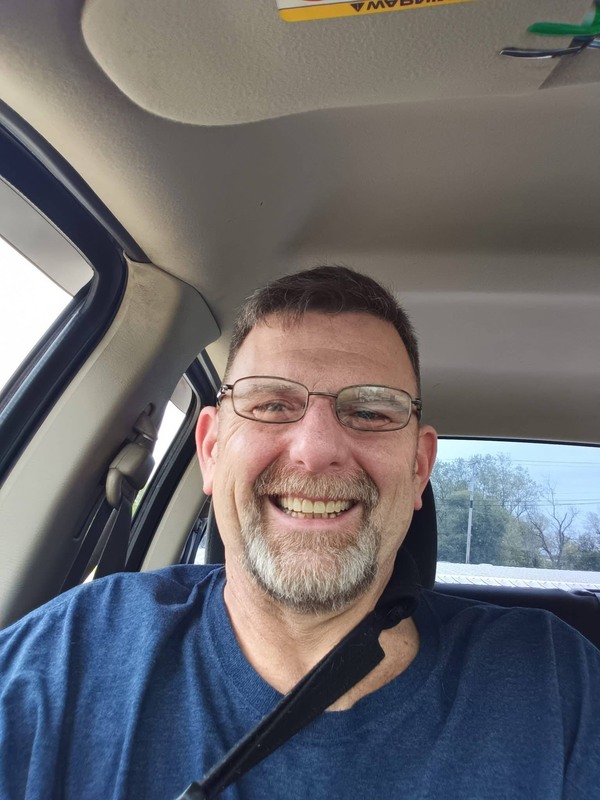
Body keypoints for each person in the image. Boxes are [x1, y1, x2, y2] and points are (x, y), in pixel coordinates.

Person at [0, 266, 599, 800]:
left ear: (419, 469)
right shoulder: (67, 659)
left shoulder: (557, 684)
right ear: (211, 449)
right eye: (270, 404)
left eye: (370, 411)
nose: (315, 450)